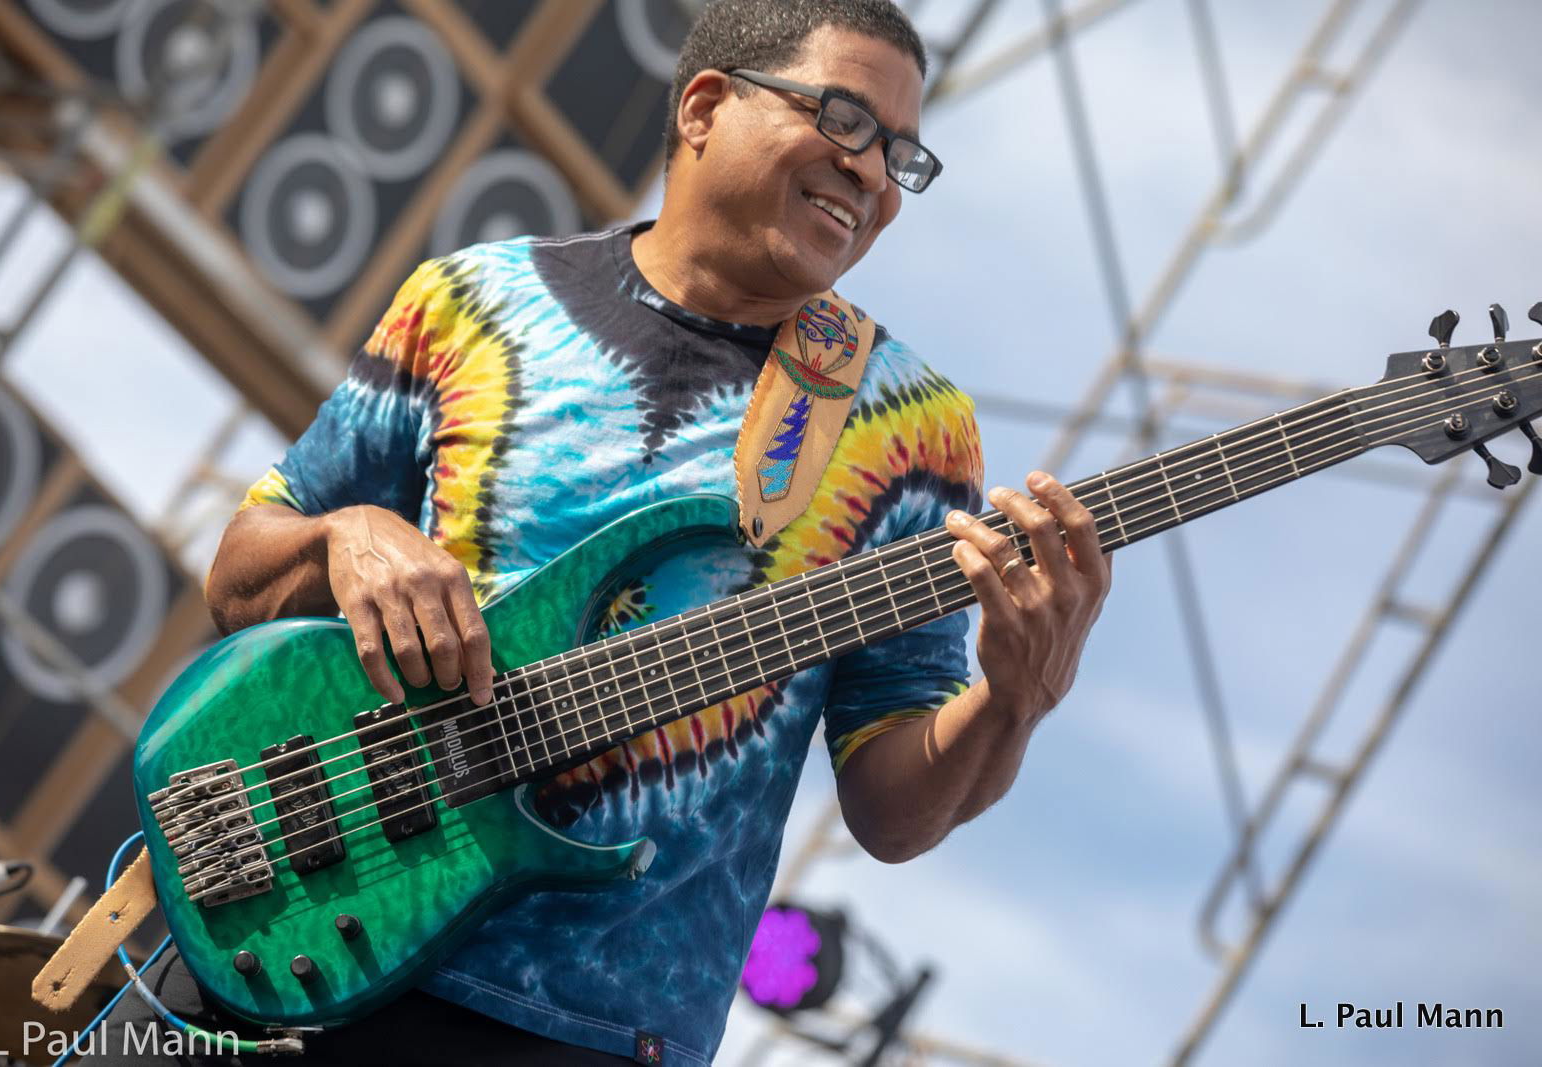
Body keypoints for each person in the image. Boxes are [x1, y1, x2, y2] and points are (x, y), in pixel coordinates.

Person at [92, 1, 1111, 1063]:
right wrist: (345, 538)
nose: (872, 175)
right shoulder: (474, 298)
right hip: (293, 937)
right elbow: (240, 578)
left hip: (595, 1030)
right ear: (705, 107)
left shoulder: (911, 429)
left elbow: (892, 814)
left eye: (901, 156)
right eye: (846, 121)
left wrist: (1012, 701)